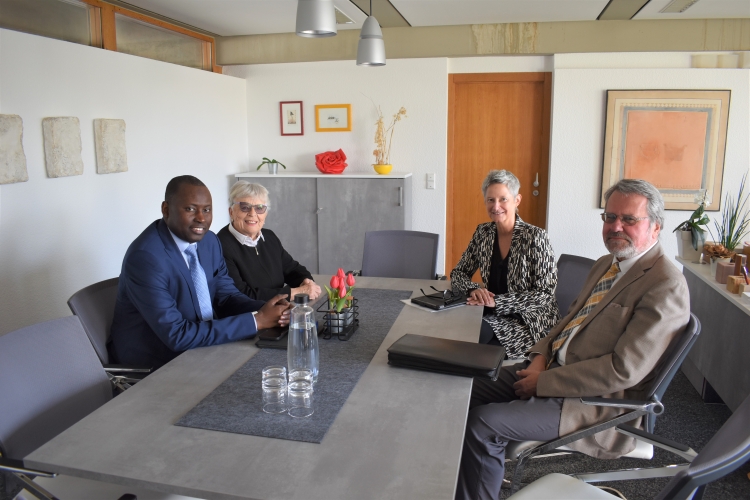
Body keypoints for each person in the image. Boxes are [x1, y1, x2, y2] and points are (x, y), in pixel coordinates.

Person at [455, 179, 690, 500]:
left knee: (484, 424)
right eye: (609, 217)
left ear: (656, 227)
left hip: (594, 403)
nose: (615, 226)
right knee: (458, 388)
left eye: (629, 219)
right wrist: (539, 357)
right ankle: (465, 479)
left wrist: (543, 382)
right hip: (550, 369)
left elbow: (622, 371)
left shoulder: (665, 284)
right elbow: (566, 322)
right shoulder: (606, 265)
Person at [109, 175, 290, 370]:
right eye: (190, 209)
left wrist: (270, 310)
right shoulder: (146, 258)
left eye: (206, 210)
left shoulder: (209, 242)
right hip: (160, 363)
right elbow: (177, 335)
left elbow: (227, 297)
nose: (201, 218)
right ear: (166, 209)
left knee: (280, 367)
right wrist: (257, 321)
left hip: (204, 346)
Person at [450, 170, 559, 358]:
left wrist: (497, 302)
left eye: (503, 199)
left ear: (517, 200)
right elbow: (458, 273)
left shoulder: (535, 237)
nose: (496, 206)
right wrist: (472, 289)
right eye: (490, 200)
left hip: (528, 322)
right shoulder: (483, 232)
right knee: (457, 331)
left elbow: (545, 294)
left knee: (471, 345)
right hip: (491, 314)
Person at [217, 181, 321, 301]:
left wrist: (306, 282)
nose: (252, 214)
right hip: (252, 316)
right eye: (244, 207)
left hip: (280, 309)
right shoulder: (220, 245)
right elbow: (242, 294)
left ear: (265, 214)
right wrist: (295, 292)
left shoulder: (269, 236)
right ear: (231, 212)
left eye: (259, 208)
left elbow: (292, 268)